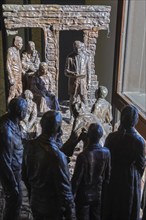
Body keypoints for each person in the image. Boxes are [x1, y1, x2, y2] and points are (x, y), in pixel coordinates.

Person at [22, 110, 76, 220]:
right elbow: (65, 192)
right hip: (52, 208)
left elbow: (24, 175)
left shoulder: (29, 146)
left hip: (35, 201)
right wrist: (72, 214)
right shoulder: (57, 157)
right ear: (59, 130)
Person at [104, 105, 145, 220]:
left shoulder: (111, 137)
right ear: (135, 120)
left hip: (113, 174)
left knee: (113, 205)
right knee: (127, 207)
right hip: (130, 177)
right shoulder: (139, 141)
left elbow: (106, 159)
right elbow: (141, 165)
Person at [72, 123, 111, 220]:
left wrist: (70, 197)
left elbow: (76, 181)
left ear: (88, 136)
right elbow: (107, 176)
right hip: (98, 193)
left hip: (83, 196)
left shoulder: (83, 156)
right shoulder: (106, 152)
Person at [0, 97, 28, 220]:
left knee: (17, 202)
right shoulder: (6, 131)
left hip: (16, 170)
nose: (27, 112)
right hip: (10, 174)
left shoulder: (15, 124)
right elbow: (5, 161)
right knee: (14, 202)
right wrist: (12, 185)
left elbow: (21, 140)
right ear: (20, 111)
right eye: (25, 109)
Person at [65, 40, 91, 118]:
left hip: (83, 81)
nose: (77, 50)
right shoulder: (70, 57)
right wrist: (72, 74)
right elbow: (65, 71)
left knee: (84, 99)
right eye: (75, 49)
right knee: (73, 99)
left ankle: (86, 116)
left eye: (79, 48)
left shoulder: (86, 57)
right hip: (73, 81)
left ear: (82, 48)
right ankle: (71, 116)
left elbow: (88, 71)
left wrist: (88, 82)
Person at [7, 36, 23, 103]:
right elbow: (8, 64)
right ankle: (9, 111)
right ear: (15, 43)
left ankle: (18, 110)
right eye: (20, 43)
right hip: (14, 75)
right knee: (12, 94)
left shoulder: (17, 51)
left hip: (19, 75)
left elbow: (18, 63)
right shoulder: (11, 50)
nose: (22, 44)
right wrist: (11, 77)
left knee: (20, 92)